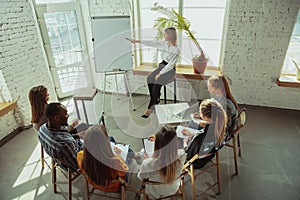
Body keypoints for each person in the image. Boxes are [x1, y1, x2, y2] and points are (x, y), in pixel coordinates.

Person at [130, 27, 180, 118]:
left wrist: (160, 73)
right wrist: (137, 41)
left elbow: (170, 65)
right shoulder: (163, 43)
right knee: (149, 79)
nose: (164, 36)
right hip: (162, 66)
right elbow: (152, 43)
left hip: (170, 71)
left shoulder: (176, 49)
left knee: (158, 81)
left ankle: (149, 108)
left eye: (165, 34)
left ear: (170, 36)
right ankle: (156, 98)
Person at [137, 125, 186, 199]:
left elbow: (141, 177)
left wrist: (146, 159)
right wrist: (160, 140)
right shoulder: (182, 155)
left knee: (142, 152)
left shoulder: (148, 163)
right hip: (173, 190)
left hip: (153, 194)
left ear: (157, 144)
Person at [77, 125, 128, 192]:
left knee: (111, 138)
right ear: (105, 144)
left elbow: (82, 169)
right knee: (128, 151)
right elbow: (123, 173)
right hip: (115, 187)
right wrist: (119, 155)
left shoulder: (80, 155)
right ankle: (137, 156)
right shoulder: (115, 161)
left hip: (95, 184)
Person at [182, 99, 227, 169]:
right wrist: (192, 135)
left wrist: (185, 142)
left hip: (196, 162)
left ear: (206, 118)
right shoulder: (221, 126)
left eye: (200, 112)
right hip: (208, 156)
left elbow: (187, 154)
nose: (199, 114)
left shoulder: (200, 137)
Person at [38, 102, 84, 171]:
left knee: (81, 128)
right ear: (57, 118)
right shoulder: (65, 144)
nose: (68, 116)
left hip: (61, 156)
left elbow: (62, 133)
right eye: (66, 115)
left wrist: (77, 135)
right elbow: (78, 165)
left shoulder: (42, 128)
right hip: (76, 160)